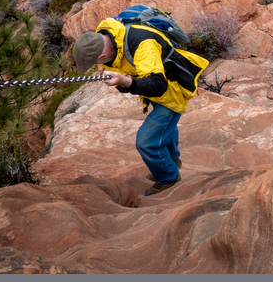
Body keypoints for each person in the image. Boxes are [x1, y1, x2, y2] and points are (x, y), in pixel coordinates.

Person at [72, 16, 209, 196]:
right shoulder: (110, 37)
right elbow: (129, 74)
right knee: (165, 130)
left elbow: (159, 86)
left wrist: (125, 82)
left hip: (172, 91)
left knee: (147, 142)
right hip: (158, 89)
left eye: (96, 62)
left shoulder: (143, 44)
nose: (98, 65)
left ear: (102, 56)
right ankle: (171, 161)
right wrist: (122, 82)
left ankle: (169, 178)